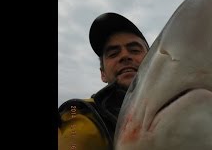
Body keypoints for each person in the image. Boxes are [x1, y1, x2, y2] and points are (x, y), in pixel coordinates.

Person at [58, 12, 149, 150]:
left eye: (134, 50)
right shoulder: (82, 115)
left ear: (153, 62)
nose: (124, 55)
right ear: (103, 74)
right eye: (113, 54)